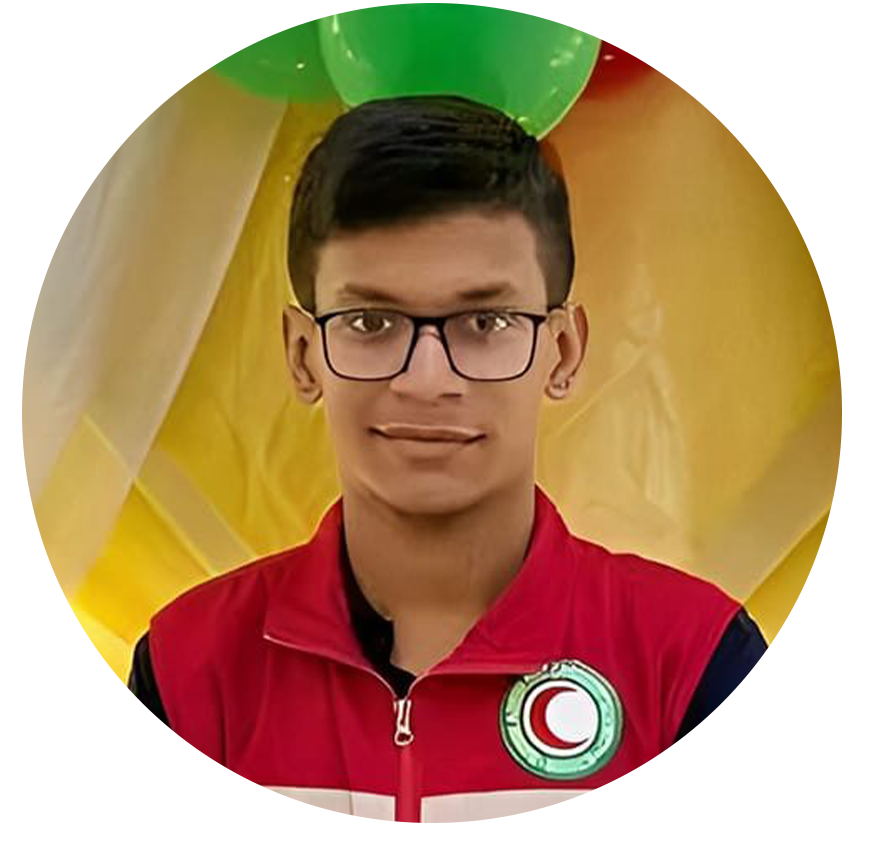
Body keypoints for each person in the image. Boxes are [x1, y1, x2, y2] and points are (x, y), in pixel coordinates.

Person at [130, 94, 767, 820]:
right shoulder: (189, 669)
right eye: (370, 321)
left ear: (562, 351)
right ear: (303, 355)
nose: (426, 380)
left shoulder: (692, 659)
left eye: (485, 322)